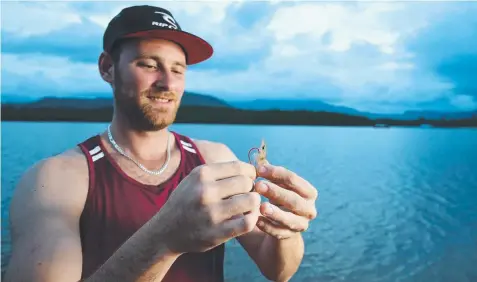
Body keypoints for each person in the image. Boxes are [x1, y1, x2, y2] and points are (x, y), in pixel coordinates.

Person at [4, 5, 318, 282]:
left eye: (178, 69)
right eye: (149, 64)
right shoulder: (55, 180)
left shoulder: (214, 159)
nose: (167, 82)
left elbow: (279, 271)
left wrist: (286, 228)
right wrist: (163, 241)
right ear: (107, 67)